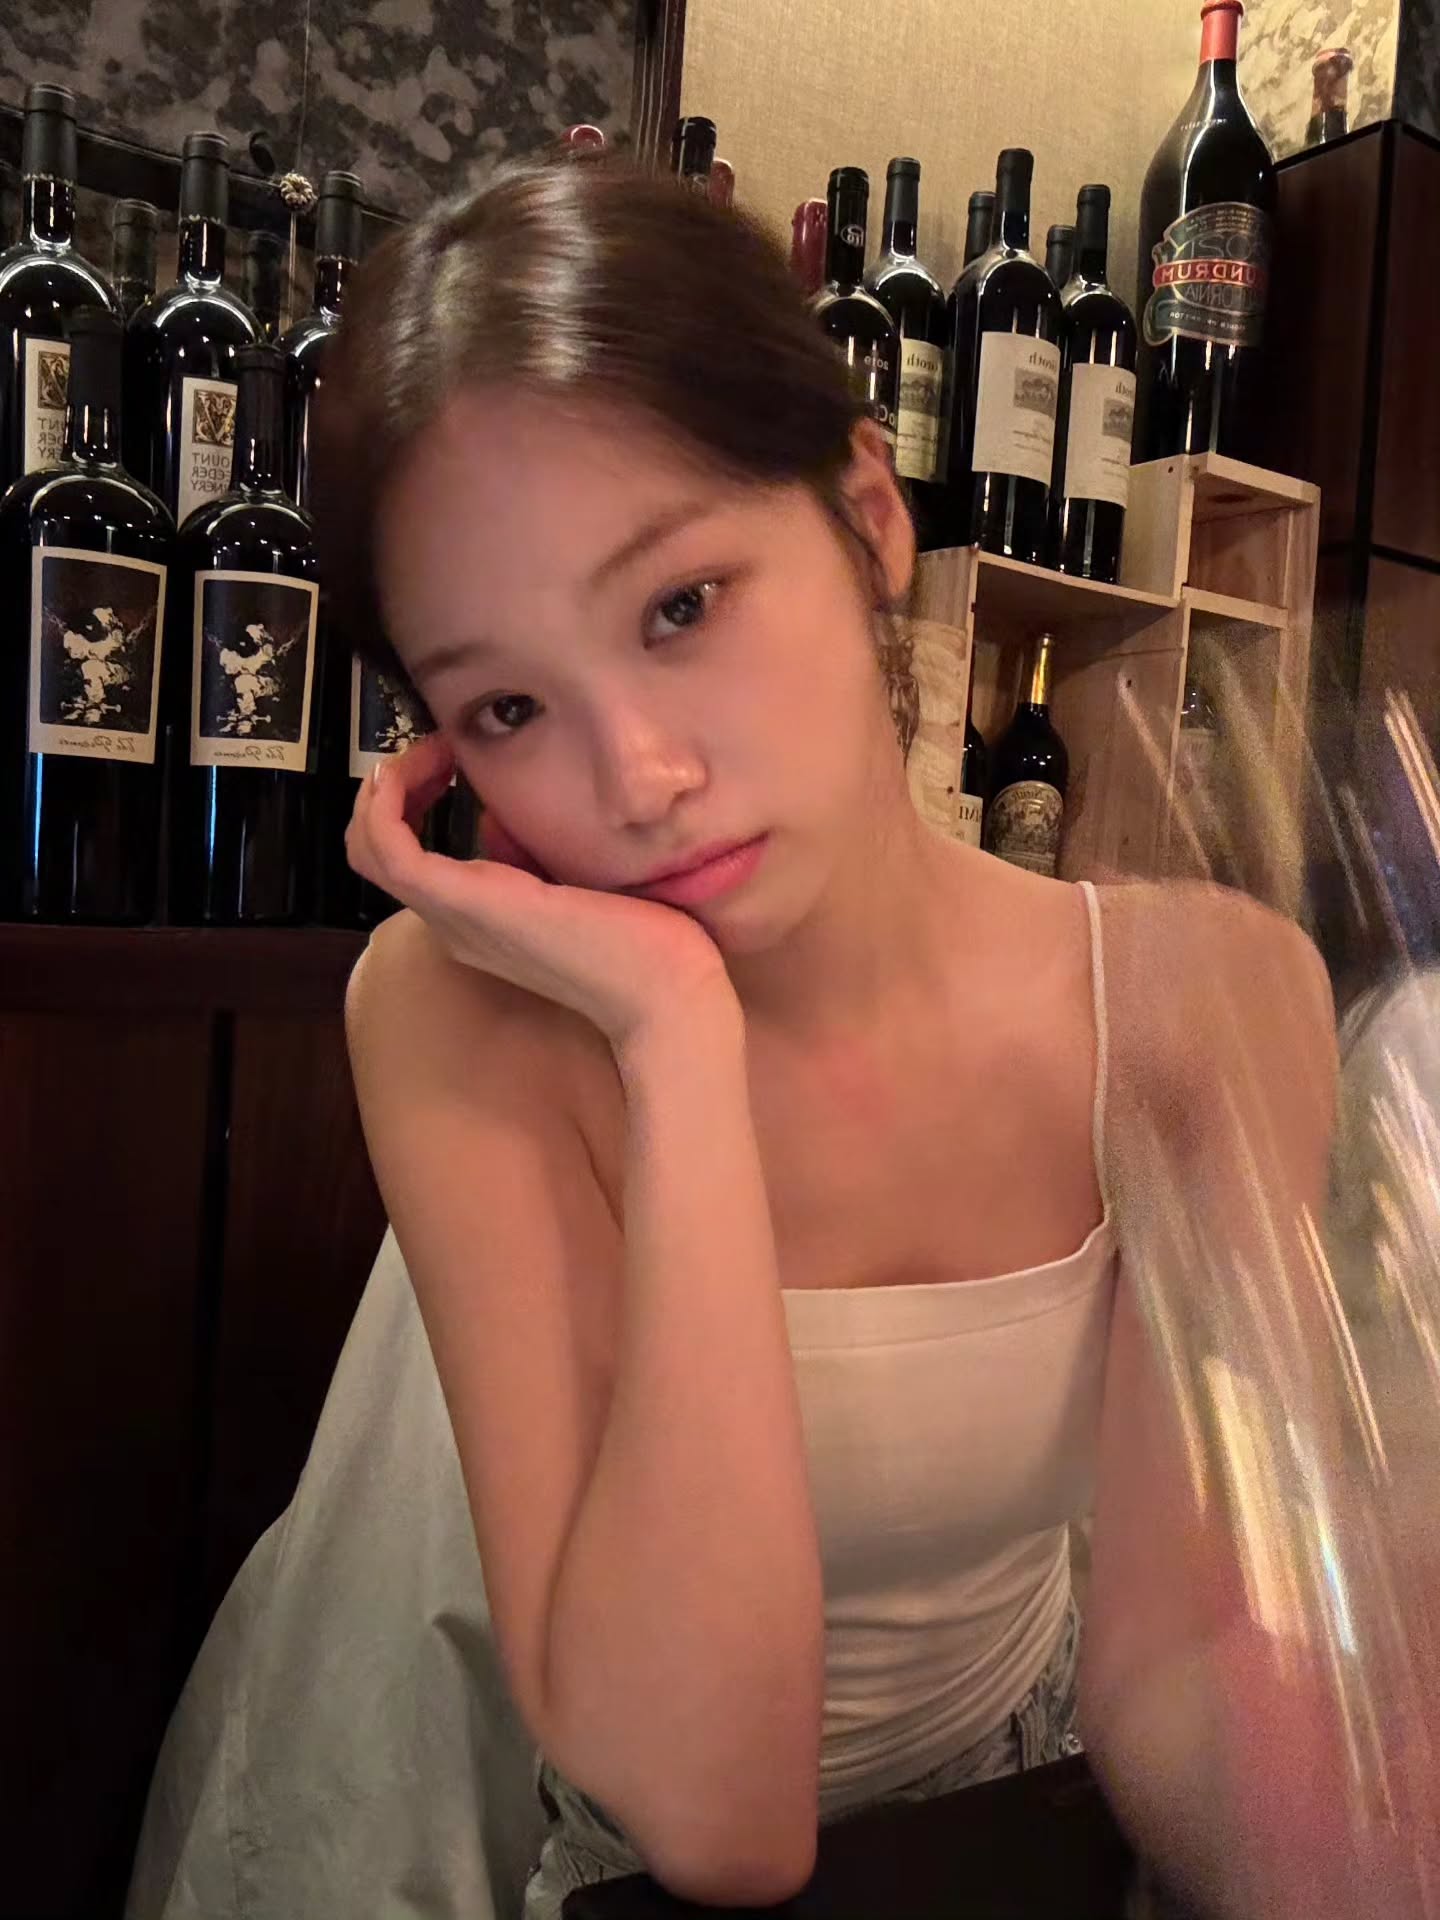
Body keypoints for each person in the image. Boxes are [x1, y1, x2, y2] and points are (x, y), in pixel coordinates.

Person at [128, 161, 1351, 1920]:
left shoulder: (1199, 1005)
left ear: (867, 516)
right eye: (510, 706)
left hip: (1015, 1829)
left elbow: (1177, 1675)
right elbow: (717, 1819)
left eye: (682, 606)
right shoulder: (457, 1021)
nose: (638, 781)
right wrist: (677, 1040)